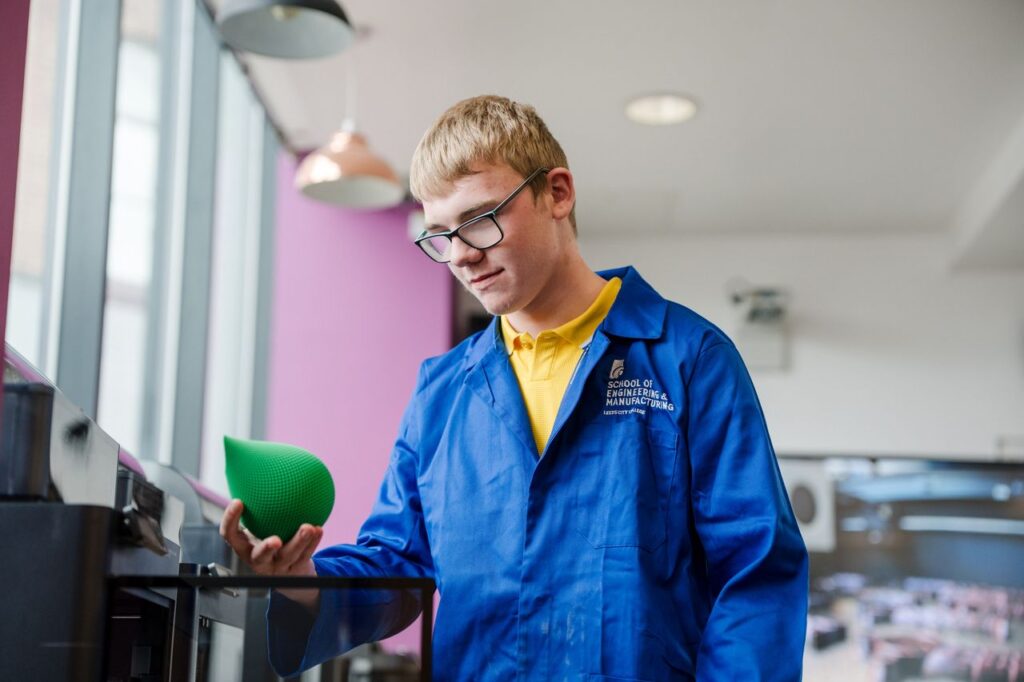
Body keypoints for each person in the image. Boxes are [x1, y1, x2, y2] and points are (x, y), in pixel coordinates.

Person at [220, 94, 809, 681]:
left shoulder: (688, 360)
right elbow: (398, 564)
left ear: (557, 192)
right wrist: (304, 583)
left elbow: (755, 575)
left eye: (479, 220)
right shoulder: (443, 393)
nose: (462, 256)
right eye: (441, 235)